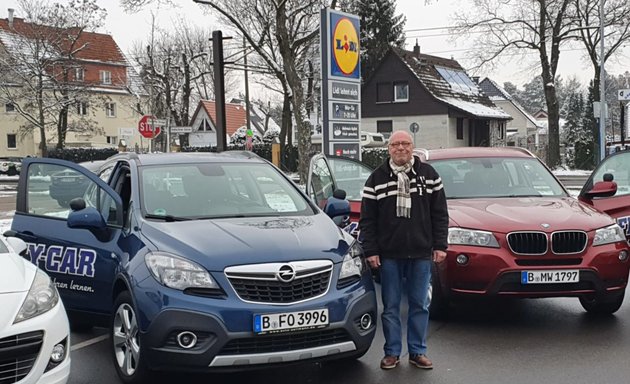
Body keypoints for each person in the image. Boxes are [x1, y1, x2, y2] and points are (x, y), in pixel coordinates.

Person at [359, 130, 448, 370]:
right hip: (389, 255)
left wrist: (440, 245)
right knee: (390, 307)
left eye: (405, 144)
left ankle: (417, 351)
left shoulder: (429, 176)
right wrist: (371, 251)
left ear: (412, 147)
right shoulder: (376, 179)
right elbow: (367, 220)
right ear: (388, 149)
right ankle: (392, 352)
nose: (401, 148)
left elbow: (440, 215)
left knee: (420, 304)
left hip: (421, 253)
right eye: (396, 144)